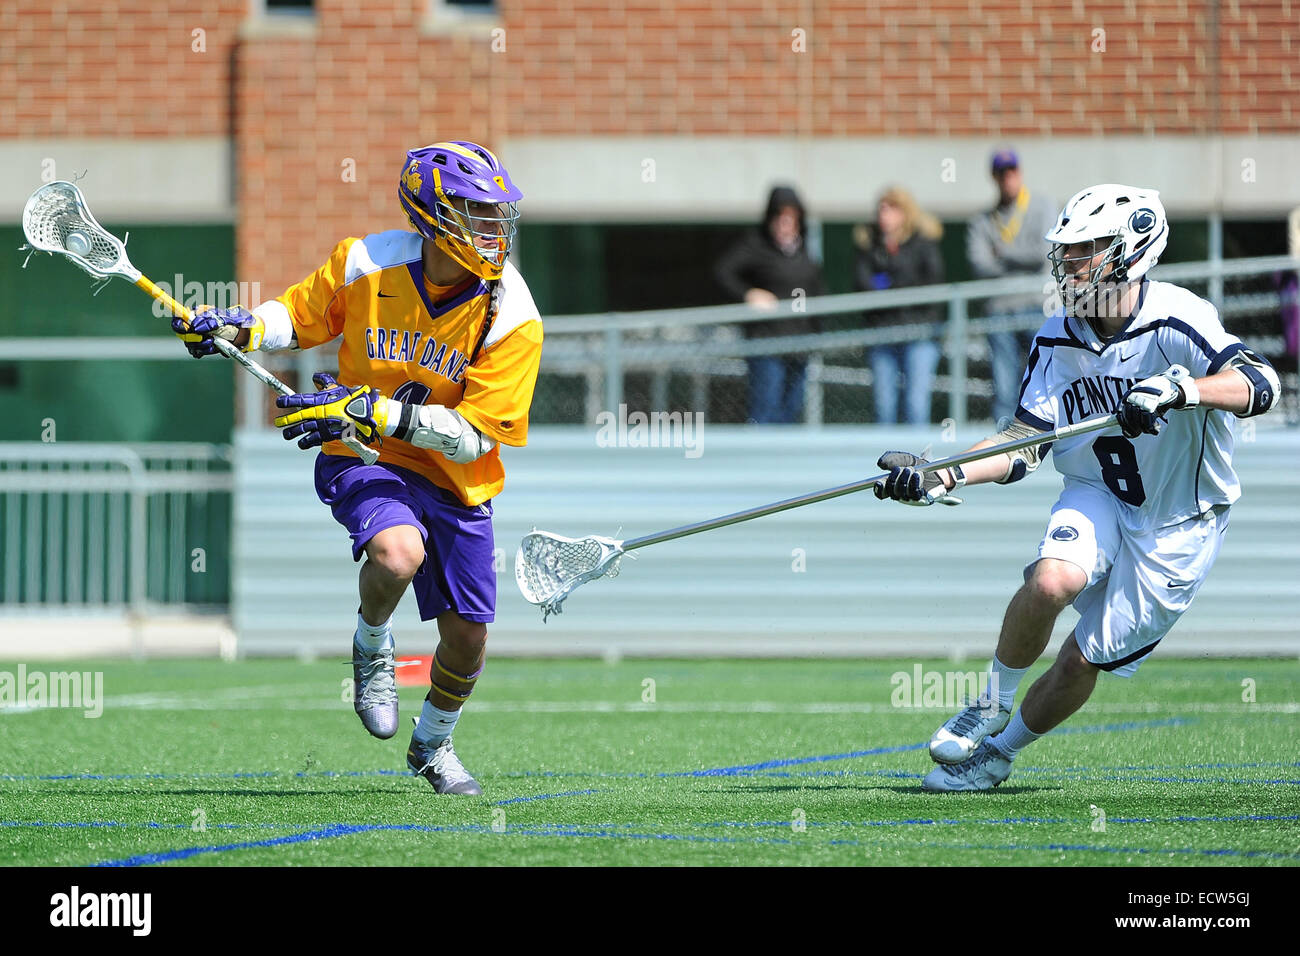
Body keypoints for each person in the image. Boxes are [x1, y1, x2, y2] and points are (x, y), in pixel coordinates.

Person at [872, 184, 1281, 792]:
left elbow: (1261, 382)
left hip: (1180, 521)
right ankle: (991, 702)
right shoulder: (1057, 335)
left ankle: (999, 755)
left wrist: (1181, 390)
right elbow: (1023, 444)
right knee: (1050, 579)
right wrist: (942, 474)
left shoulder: (1176, 317)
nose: (1071, 264)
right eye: (1068, 251)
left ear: (1132, 250)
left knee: (1080, 659)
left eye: (1087, 250)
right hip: (1098, 489)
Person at [173, 141, 543, 796]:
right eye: (475, 213)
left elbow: (474, 438)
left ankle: (431, 745)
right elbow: (299, 313)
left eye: (496, 216)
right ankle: (373, 643)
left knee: (467, 639)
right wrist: (240, 328)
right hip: (362, 452)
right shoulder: (366, 261)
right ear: (432, 214)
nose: (491, 230)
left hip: (452, 471)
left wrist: (380, 412)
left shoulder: (512, 313)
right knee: (399, 554)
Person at [714, 185, 827, 423]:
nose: (785, 223)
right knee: (766, 409)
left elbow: (816, 290)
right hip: (767, 343)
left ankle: (784, 460)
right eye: (780, 217)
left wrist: (817, 332)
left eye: (791, 217)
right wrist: (748, 293)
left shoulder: (804, 249)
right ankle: (759, 459)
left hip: (800, 344)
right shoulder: (756, 245)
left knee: (791, 409)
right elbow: (723, 272)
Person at [967, 148, 1058, 425]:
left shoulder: (1042, 205)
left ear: (1019, 173)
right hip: (1000, 310)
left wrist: (1002, 253)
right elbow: (979, 264)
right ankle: (1004, 449)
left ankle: (1048, 434)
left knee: (1045, 378)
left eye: (1012, 172)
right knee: (1004, 385)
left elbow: (1042, 252)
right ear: (994, 177)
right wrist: (1018, 257)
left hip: (1037, 305)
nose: (1008, 179)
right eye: (1001, 174)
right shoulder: (982, 219)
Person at [853, 186, 945, 425]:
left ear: (905, 213)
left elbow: (930, 286)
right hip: (882, 336)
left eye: (891, 208)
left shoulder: (923, 245)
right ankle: (888, 461)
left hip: (919, 335)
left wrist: (888, 280)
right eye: (881, 209)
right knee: (884, 406)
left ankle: (919, 463)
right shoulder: (869, 247)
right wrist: (895, 283)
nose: (884, 214)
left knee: (916, 404)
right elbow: (863, 286)